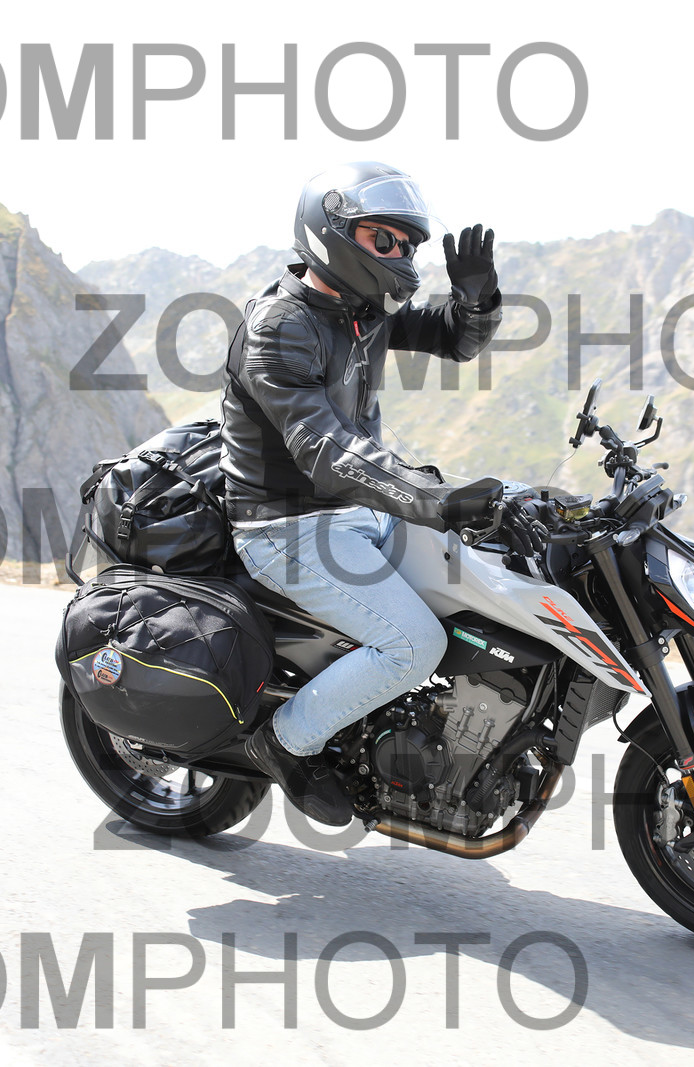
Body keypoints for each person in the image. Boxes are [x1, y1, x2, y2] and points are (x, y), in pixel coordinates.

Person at [218, 161, 540, 826]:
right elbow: (325, 451)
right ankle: (286, 741)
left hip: (359, 510)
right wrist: (436, 499)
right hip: (287, 527)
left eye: (408, 245)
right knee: (413, 645)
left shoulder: (363, 311)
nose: (401, 257)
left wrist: (477, 301)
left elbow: (453, 339)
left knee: (491, 574)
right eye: (384, 240)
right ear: (332, 231)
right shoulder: (281, 326)